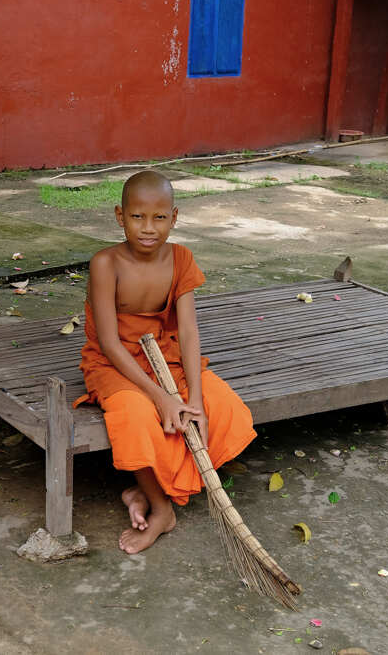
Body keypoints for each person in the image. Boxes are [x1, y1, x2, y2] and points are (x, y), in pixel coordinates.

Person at [76, 170, 256, 554]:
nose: (148, 228)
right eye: (137, 216)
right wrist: (162, 398)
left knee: (222, 407)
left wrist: (192, 398)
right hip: (115, 365)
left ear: (174, 218)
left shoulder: (181, 258)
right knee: (135, 415)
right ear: (119, 216)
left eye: (159, 218)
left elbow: (189, 332)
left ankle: (141, 490)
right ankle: (161, 509)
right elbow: (108, 342)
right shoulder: (105, 264)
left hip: (165, 354)